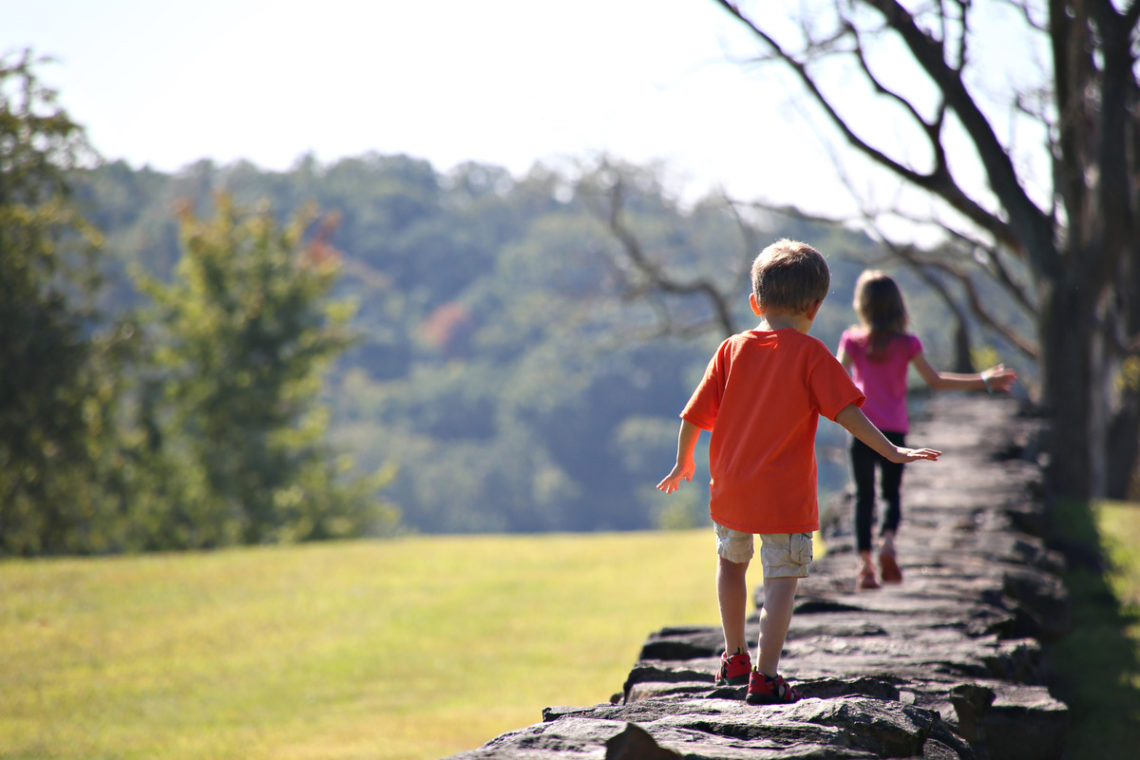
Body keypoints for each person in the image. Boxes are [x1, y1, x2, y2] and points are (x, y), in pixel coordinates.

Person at [656, 240, 941, 705]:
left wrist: (683, 460)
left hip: (731, 488)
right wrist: (891, 451)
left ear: (754, 302)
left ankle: (734, 657)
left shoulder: (730, 349)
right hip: (784, 498)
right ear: (815, 306)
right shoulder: (810, 354)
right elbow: (848, 413)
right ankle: (766, 675)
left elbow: (693, 415)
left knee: (731, 565)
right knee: (779, 583)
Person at [836, 269, 1017, 591]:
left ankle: (864, 565)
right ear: (897, 306)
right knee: (891, 494)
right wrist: (984, 380)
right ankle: (887, 542)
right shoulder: (907, 344)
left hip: (861, 429)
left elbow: (836, 379)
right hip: (895, 430)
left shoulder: (853, 341)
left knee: (864, 497)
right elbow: (936, 380)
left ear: (863, 305)